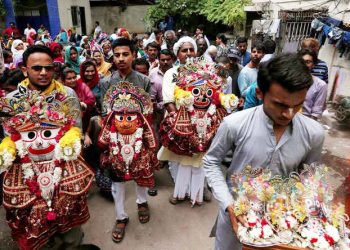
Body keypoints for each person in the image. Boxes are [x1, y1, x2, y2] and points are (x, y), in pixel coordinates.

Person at [203, 53, 325, 250]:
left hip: (282, 226)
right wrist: (228, 203)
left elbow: (309, 179)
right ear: (259, 93)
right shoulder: (234, 124)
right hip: (236, 217)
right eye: (281, 104)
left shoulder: (314, 134)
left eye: (298, 105)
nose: (289, 114)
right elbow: (211, 161)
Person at [2, 45, 93, 249]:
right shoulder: (12, 101)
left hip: (63, 168)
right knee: (35, 223)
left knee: (69, 221)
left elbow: (76, 131)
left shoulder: (68, 95)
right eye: (36, 68)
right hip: (28, 173)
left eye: (48, 68)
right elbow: (10, 137)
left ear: (54, 69)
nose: (43, 72)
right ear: (24, 69)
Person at [98, 82, 159, 243]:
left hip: (139, 157)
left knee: (142, 180)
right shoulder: (112, 122)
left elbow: (151, 141)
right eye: (120, 117)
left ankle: (142, 203)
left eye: (130, 117)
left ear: (138, 117)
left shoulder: (141, 122)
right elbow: (102, 142)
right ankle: (121, 217)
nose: (125, 122)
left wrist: (151, 150)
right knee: (117, 187)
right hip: (116, 156)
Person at [100, 37, 151, 109]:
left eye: (125, 54)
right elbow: (105, 111)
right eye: (117, 55)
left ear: (133, 56)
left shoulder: (145, 81)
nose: (121, 59)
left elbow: (148, 110)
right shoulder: (105, 82)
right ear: (113, 57)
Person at [298, 48, 328, 120]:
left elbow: (316, 114)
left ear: (313, 64)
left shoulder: (320, 85)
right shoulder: (289, 80)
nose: (304, 65)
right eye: (301, 62)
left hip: (305, 121)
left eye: (308, 62)